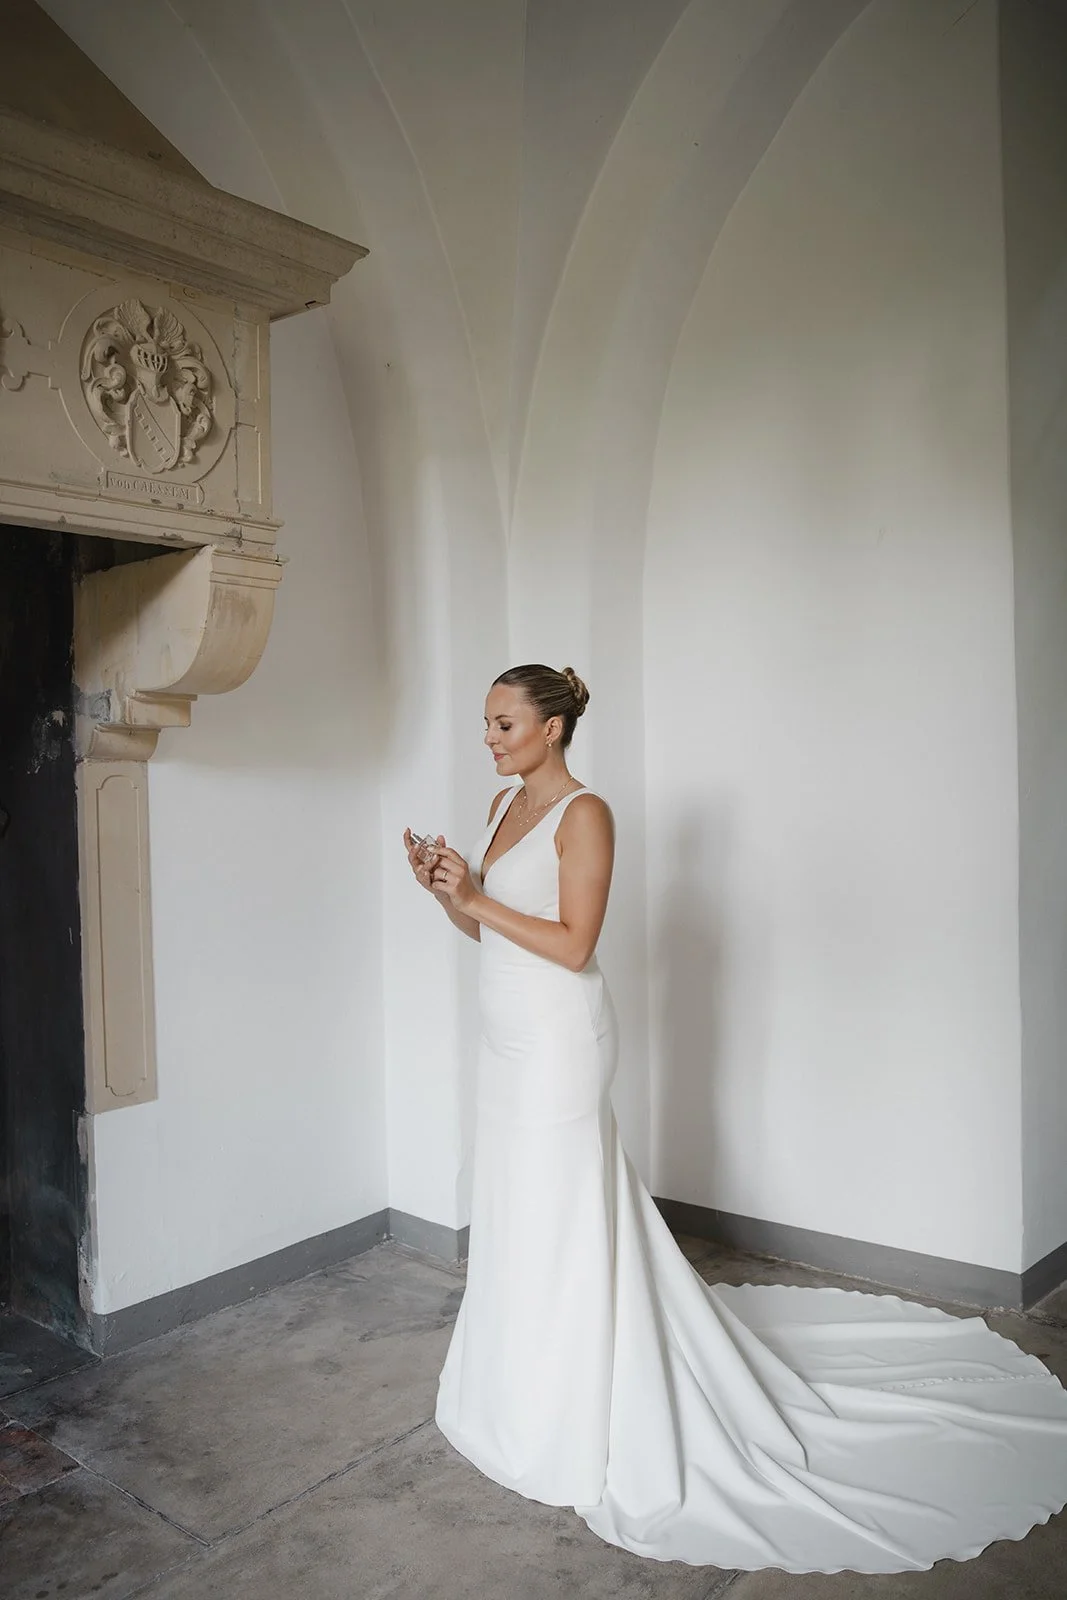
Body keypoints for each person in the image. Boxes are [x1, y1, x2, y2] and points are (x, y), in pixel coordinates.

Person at [403, 663, 1067, 1574]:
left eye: (504, 723)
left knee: (563, 1210)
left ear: (552, 728)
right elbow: (494, 935)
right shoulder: (497, 808)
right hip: (503, 1041)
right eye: (484, 723)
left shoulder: (584, 814)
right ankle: (517, 1389)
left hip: (560, 1044)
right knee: (522, 1209)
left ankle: (580, 1404)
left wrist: (475, 895)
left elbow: (573, 944)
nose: (489, 738)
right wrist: (448, 896)